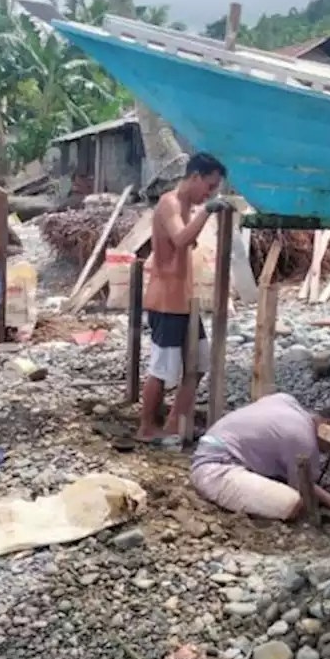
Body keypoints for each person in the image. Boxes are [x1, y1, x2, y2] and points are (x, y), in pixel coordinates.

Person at [137, 153, 231, 446]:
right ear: (194, 177)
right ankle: (146, 427)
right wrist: (208, 211)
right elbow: (179, 239)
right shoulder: (170, 204)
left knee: (199, 362)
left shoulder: (189, 207)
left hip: (184, 303)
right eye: (209, 185)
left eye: (215, 189)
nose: (210, 192)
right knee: (162, 370)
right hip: (166, 302)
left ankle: (176, 420)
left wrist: (203, 211)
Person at [190, 393, 330, 521]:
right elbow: (302, 487)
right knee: (292, 503)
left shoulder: (285, 400)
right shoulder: (304, 440)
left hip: (210, 446)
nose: (329, 452)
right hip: (214, 471)